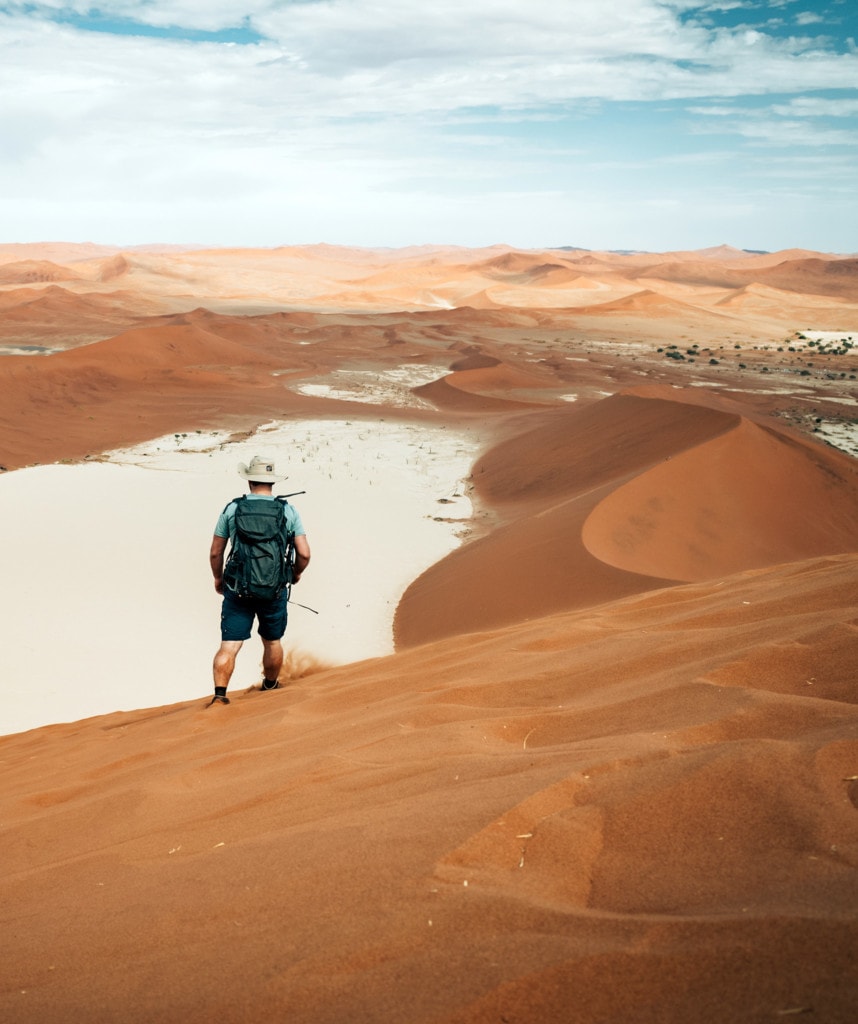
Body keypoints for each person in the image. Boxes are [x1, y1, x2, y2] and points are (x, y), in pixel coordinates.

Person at [208, 456, 311, 705]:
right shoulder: (288, 510)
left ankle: (220, 697)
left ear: (250, 481)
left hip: (237, 588)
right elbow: (305, 553)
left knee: (229, 646)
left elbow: (215, 552)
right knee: (272, 641)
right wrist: (294, 574)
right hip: (273, 589)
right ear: (272, 482)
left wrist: (219, 579)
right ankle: (270, 686)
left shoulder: (232, 509)